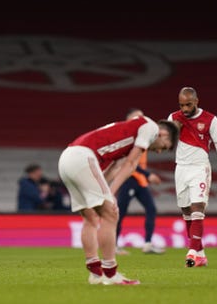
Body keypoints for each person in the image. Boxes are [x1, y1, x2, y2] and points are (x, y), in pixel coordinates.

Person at [58, 115, 178, 285]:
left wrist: (106, 193)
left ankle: (96, 274)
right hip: (83, 157)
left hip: (67, 158)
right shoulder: (151, 128)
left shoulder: (131, 135)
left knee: (90, 217)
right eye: (165, 147)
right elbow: (130, 164)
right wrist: (109, 195)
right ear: (164, 134)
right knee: (111, 214)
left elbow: (117, 167)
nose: (159, 151)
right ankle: (110, 274)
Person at [168, 87, 217, 268]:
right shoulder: (173, 118)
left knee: (197, 208)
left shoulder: (210, 120)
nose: (184, 109)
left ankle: (191, 253)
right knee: (186, 212)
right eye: (181, 105)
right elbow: (166, 145)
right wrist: (173, 132)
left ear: (196, 101)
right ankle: (201, 255)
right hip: (180, 168)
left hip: (199, 168)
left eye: (188, 105)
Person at [115, 108, 164, 255]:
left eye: (142, 117)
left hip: (140, 180)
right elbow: (129, 161)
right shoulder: (127, 136)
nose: (141, 119)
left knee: (151, 209)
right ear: (128, 119)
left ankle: (148, 244)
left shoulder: (142, 135)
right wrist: (148, 174)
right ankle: (113, 246)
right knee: (120, 213)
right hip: (129, 178)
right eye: (136, 117)